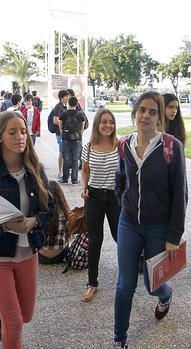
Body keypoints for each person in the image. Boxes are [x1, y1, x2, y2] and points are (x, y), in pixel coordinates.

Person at [0, 110, 55, 349]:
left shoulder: (36, 169)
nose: (20, 137)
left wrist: (32, 222)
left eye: (23, 131)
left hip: (28, 255)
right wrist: (1, 223)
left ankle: (5, 320)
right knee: (14, 322)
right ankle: (7, 324)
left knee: (25, 316)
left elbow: (51, 207)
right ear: (0, 137)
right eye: (12, 132)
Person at [113, 91, 188, 349]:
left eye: (152, 111)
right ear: (134, 113)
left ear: (160, 118)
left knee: (152, 283)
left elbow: (181, 194)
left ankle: (165, 296)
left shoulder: (170, 147)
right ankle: (119, 339)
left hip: (159, 226)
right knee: (124, 284)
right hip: (129, 223)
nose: (145, 115)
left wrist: (173, 236)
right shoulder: (124, 144)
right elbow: (120, 179)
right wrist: (124, 204)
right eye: (141, 110)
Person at [80, 108, 119, 302]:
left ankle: (129, 274)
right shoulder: (89, 146)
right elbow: (85, 170)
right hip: (94, 197)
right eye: (104, 121)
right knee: (95, 240)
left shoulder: (119, 146)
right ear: (97, 124)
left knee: (121, 236)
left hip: (115, 197)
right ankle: (92, 283)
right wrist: (84, 188)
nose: (108, 125)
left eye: (111, 122)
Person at [38, 181, 69, 264]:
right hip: (60, 256)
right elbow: (68, 235)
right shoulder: (65, 213)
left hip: (40, 256)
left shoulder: (39, 213)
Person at [59, 96, 86, 184]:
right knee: (75, 159)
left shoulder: (64, 113)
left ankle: (65, 178)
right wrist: (79, 134)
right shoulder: (80, 114)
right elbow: (82, 126)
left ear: (68, 103)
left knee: (66, 159)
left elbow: (60, 126)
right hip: (77, 140)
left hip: (66, 140)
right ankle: (74, 179)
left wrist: (64, 134)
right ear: (76, 104)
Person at [51, 90, 69, 179]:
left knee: (65, 152)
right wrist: (65, 125)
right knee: (62, 152)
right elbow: (55, 120)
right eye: (66, 96)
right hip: (60, 133)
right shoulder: (58, 107)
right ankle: (60, 172)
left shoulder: (66, 107)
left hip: (65, 133)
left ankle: (64, 171)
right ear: (61, 97)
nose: (68, 98)